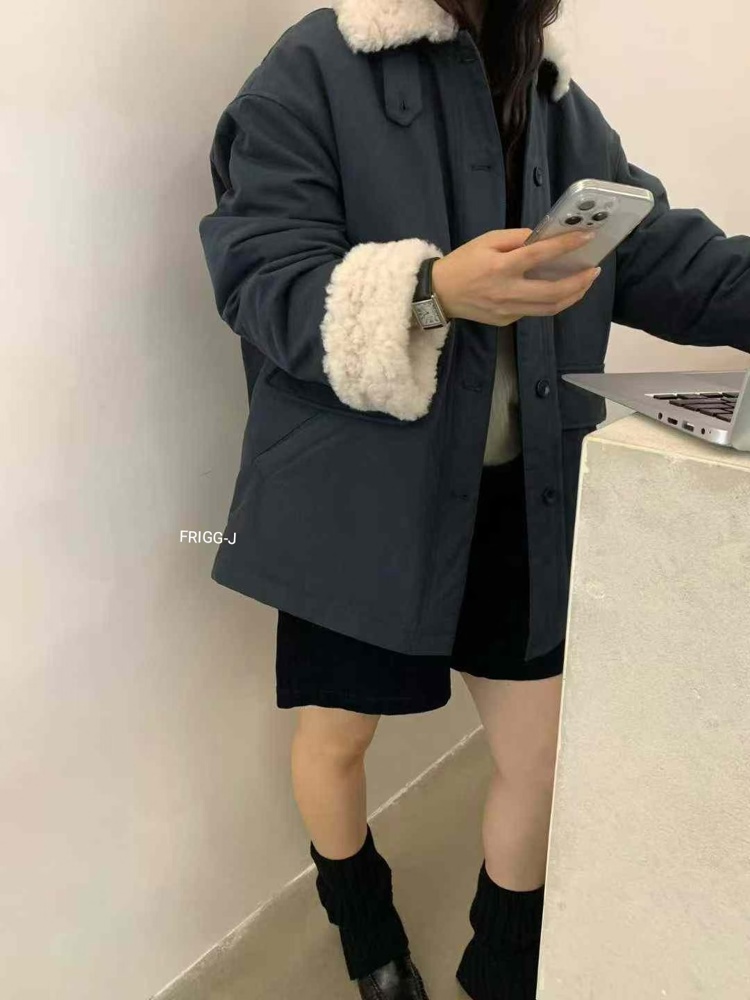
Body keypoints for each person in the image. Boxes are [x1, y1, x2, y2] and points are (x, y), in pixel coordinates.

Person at [197, 1, 750, 997]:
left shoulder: (554, 100)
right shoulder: (314, 67)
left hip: (524, 497)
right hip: (358, 503)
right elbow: (259, 274)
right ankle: (368, 933)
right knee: (337, 739)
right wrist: (431, 291)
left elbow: (667, 260)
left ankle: (500, 962)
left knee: (542, 755)